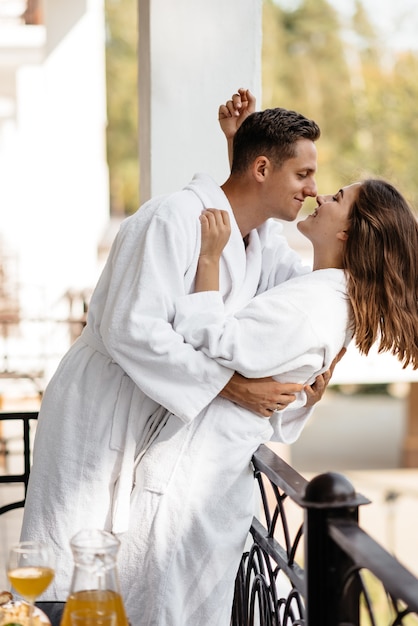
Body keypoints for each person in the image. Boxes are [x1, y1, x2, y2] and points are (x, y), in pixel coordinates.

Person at [20, 93, 332, 610]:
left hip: (158, 412)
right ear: (262, 169)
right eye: (303, 174)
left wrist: (313, 379)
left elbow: (302, 298)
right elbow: (131, 329)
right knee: (72, 574)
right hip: (103, 406)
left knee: (118, 578)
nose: (313, 189)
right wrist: (234, 388)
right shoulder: (170, 217)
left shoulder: (261, 243)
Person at [117, 179, 418, 625]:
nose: (322, 196)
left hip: (195, 477)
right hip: (207, 470)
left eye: (337, 199)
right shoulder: (321, 293)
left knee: (160, 609)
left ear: (348, 233)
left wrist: (208, 258)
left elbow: (214, 341)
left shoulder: (314, 306)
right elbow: (269, 256)